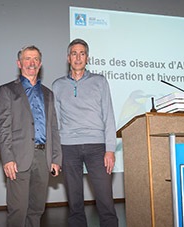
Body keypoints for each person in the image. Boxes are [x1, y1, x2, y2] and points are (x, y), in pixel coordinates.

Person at [52, 38, 119, 227]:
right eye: (74, 53)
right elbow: (55, 123)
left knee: (105, 200)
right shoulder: (57, 85)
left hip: (97, 147)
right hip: (68, 147)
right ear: (68, 58)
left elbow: (109, 116)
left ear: (87, 58)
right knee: (75, 202)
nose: (78, 57)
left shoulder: (99, 81)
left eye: (82, 53)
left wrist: (110, 149)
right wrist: (56, 155)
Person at [0, 45, 62, 227]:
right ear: (19, 63)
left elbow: (54, 128)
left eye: (35, 59)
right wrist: (7, 158)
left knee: (36, 210)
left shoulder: (48, 94)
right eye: (27, 59)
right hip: (18, 157)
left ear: (40, 64)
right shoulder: (7, 90)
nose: (31, 63)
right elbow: (3, 127)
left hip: (43, 157)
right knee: (18, 210)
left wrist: (56, 158)